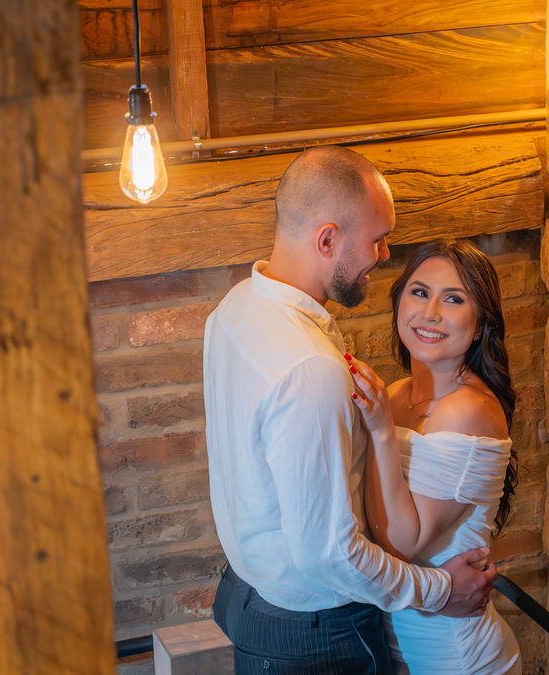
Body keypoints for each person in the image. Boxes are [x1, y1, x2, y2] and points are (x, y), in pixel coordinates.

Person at [204, 145, 496, 674]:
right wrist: (439, 590)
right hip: (313, 633)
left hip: (248, 595)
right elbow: (328, 555)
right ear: (327, 240)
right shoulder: (311, 370)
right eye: (377, 239)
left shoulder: (235, 308)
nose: (384, 255)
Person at [347, 240, 522, 674]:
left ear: (479, 325)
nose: (430, 312)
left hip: (455, 656)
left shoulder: (467, 411)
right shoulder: (395, 394)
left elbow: (401, 545)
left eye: (454, 299)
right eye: (420, 292)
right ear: (399, 302)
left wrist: (381, 432)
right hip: (395, 642)